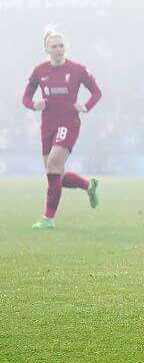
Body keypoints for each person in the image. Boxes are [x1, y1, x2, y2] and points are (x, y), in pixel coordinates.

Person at [21, 27, 102, 229]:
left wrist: (86, 106)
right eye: (54, 46)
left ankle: (48, 219)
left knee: (53, 165)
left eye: (61, 46)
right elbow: (25, 98)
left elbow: (96, 92)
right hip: (47, 125)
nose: (58, 49)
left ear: (66, 48)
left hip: (68, 122)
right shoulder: (39, 71)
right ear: (46, 49)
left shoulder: (77, 69)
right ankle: (88, 185)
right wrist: (34, 105)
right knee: (56, 172)